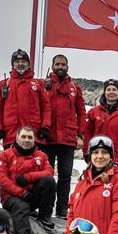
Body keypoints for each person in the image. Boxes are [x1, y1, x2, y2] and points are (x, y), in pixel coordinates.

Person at [41, 54, 88, 218]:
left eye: (63, 64)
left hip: (67, 138)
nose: (60, 67)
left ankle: (62, 209)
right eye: (57, 64)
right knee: (46, 175)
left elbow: (81, 112)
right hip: (47, 137)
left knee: (65, 175)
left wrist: (80, 135)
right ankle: (45, 208)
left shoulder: (75, 88)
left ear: (67, 66)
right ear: (52, 65)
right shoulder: (44, 85)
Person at [0, 126, 56, 234]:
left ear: (34, 139)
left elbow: (49, 172)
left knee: (49, 181)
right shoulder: (6, 155)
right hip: (11, 197)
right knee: (21, 206)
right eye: (23, 137)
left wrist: (29, 177)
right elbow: (1, 178)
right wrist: (21, 193)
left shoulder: (41, 156)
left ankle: (44, 216)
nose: (27, 140)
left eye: (30, 137)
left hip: (32, 195)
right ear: (17, 138)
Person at [0, 49, 51, 147]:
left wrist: (45, 126)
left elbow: (45, 107)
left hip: (33, 135)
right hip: (11, 134)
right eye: (17, 61)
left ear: (28, 64)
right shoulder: (3, 85)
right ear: (13, 65)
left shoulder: (38, 84)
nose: (20, 64)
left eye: (23, 61)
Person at [85, 79, 118, 169]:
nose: (111, 92)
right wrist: (86, 151)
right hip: (99, 156)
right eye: (108, 89)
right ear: (104, 92)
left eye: (114, 89)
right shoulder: (93, 112)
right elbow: (87, 133)